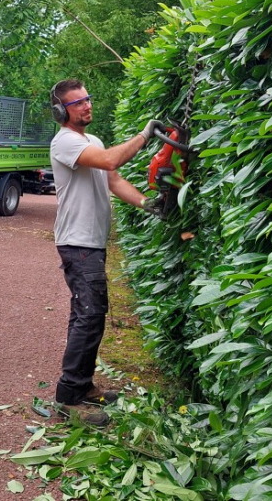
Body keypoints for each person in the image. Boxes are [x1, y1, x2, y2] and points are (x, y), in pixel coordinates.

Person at [48, 78, 163, 426]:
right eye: (78, 103)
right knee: (90, 316)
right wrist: (144, 136)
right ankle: (68, 398)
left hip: (91, 242)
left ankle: (81, 385)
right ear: (60, 112)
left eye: (88, 99)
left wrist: (148, 203)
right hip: (77, 242)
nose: (87, 106)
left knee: (87, 315)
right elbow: (112, 162)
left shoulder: (92, 141)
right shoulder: (64, 142)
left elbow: (112, 181)